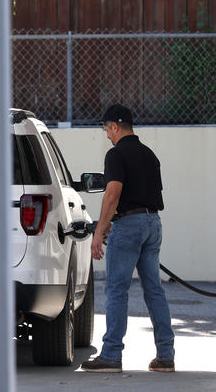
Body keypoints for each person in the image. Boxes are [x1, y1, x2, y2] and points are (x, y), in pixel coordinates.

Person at [81, 104, 175, 373]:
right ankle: (166, 356)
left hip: (129, 225)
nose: (106, 135)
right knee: (154, 290)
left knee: (116, 291)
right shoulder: (149, 155)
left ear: (115, 126)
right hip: (152, 223)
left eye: (106, 129)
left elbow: (113, 192)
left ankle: (111, 355)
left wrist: (99, 230)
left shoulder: (116, 154)